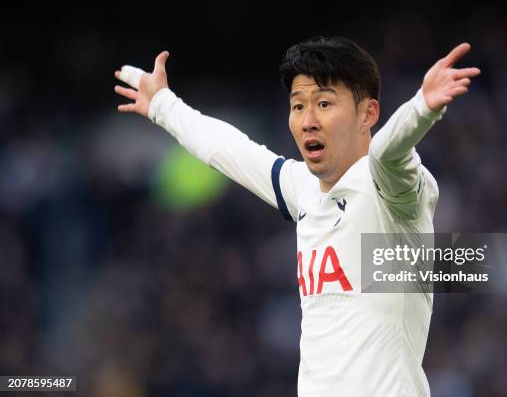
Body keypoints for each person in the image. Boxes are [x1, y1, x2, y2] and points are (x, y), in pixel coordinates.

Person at [114, 37, 480, 397]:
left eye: (323, 103)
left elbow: (389, 153)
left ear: (367, 114)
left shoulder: (392, 191)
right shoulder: (303, 188)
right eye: (298, 106)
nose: (308, 121)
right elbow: (231, 150)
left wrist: (421, 107)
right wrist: (162, 104)